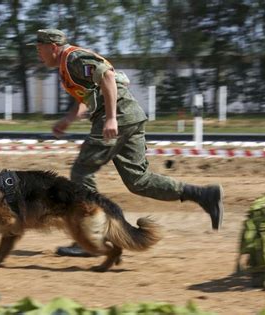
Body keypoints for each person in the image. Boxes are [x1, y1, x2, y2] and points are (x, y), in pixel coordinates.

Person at [33, 29, 224, 257]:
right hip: (131, 115)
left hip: (118, 117)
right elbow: (90, 93)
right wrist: (68, 119)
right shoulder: (67, 66)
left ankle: (93, 236)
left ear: (53, 47)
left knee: (81, 172)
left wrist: (112, 117)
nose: (38, 54)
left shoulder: (73, 58)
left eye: (39, 49)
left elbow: (107, 76)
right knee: (139, 180)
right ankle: (204, 195)